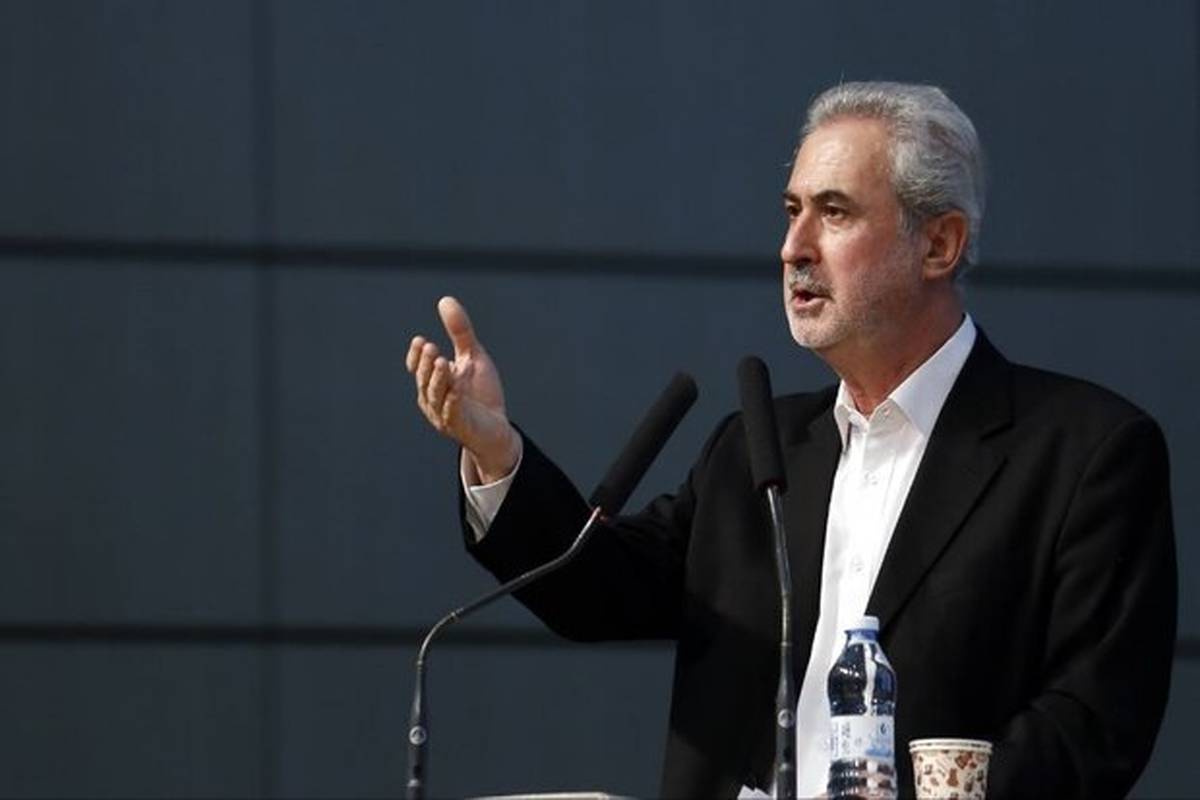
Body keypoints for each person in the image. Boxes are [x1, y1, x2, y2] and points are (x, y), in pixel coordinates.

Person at [405, 82, 1176, 798]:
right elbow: (592, 591)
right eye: (791, 210)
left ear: (939, 245)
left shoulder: (1085, 455)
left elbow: (1091, 725)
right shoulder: (758, 449)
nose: (793, 247)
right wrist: (496, 452)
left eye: (834, 213)